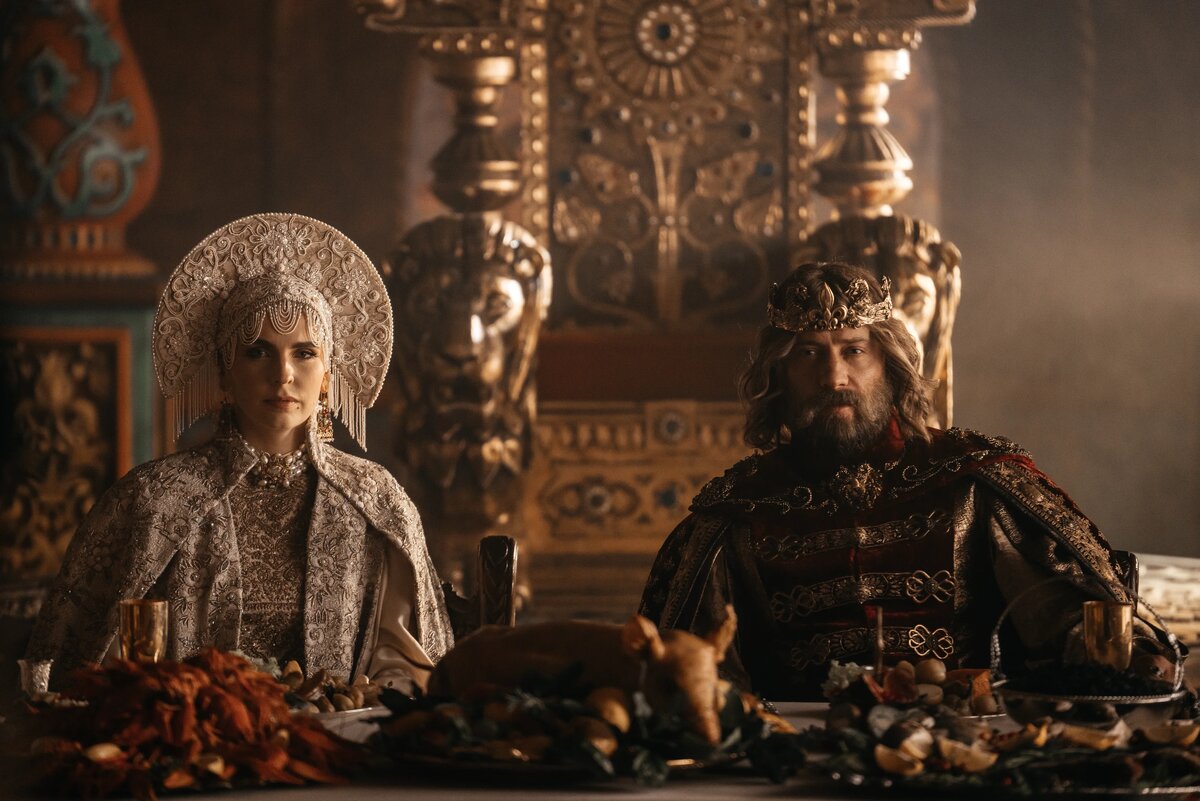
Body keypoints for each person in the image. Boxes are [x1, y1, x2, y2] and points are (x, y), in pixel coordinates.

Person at [639, 261, 1170, 700]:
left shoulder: (972, 480)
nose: (833, 377)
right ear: (778, 376)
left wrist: (1122, 656)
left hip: (956, 746)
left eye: (853, 350)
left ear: (888, 365)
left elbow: (1072, 614)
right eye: (808, 354)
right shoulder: (738, 511)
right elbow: (686, 667)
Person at [23, 213, 453, 693]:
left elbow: (409, 670)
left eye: (304, 353)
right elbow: (80, 667)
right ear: (224, 376)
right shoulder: (152, 500)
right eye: (258, 352)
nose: (283, 374)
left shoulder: (375, 501)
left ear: (328, 376)